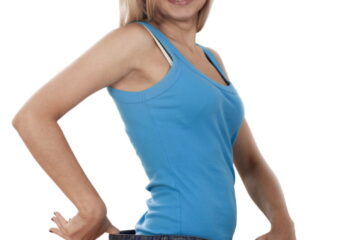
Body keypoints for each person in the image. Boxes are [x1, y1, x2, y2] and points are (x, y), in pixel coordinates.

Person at [12, 0, 296, 239]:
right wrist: (91, 209)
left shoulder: (212, 60)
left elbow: (251, 163)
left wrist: (283, 222)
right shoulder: (136, 42)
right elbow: (33, 117)